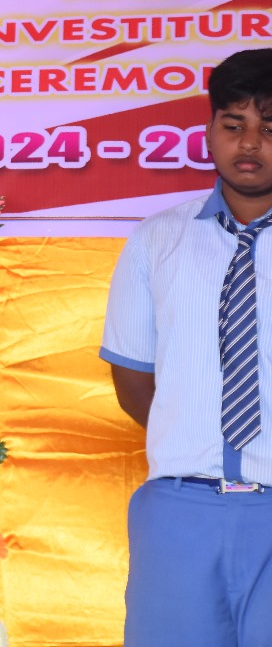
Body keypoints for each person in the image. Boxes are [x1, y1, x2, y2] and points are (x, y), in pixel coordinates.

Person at [102, 47, 272, 645]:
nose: (249, 143)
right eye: (234, 124)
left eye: (270, 129)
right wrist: (193, 432)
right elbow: (134, 381)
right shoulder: (157, 240)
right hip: (180, 510)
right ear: (209, 132)